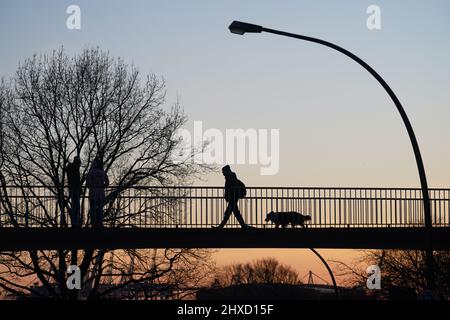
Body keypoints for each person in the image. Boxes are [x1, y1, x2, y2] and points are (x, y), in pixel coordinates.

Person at [86, 157, 109, 228]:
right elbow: (107, 182)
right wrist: (102, 186)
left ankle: (94, 223)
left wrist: (92, 186)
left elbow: (88, 183)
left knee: (93, 208)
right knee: (100, 208)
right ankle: (99, 222)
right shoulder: (102, 172)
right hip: (101, 193)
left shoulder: (91, 172)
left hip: (93, 192)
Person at [64, 156, 81, 228]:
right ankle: (75, 222)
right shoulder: (73, 167)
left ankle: (75, 221)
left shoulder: (72, 166)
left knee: (76, 206)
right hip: (74, 188)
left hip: (74, 188)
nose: (79, 164)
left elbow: (66, 169)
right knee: (75, 206)